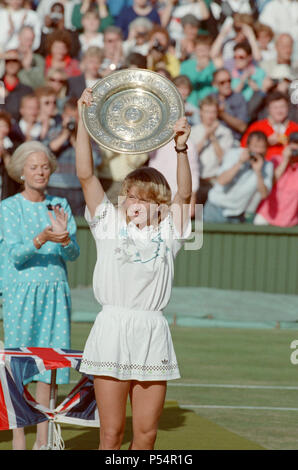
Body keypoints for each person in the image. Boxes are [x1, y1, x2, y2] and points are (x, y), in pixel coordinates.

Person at [76, 87, 192, 450]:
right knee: (110, 436)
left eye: (143, 197)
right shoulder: (108, 222)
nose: (133, 202)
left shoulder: (169, 231)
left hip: (152, 330)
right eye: (130, 194)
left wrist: (181, 147)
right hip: (111, 328)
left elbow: (185, 197)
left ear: (158, 203)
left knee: (146, 436)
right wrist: (84, 120)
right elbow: (86, 176)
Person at [0, 140, 80, 450]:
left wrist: (62, 240)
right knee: (19, 368)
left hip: (55, 293)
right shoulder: (7, 208)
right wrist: (42, 237)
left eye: (45, 166)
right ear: (21, 172)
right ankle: (19, 438)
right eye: (34, 167)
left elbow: (72, 254)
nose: (40, 172)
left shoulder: (59, 205)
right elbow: (16, 257)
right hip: (21, 294)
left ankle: (44, 441)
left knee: (51, 367)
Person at [46, 97, 101, 216]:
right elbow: (46, 152)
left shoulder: (89, 137)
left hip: (77, 188)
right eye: (69, 117)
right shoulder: (54, 132)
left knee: (77, 224)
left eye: (75, 117)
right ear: (63, 116)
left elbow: (96, 160)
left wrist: (75, 138)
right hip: (54, 186)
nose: (72, 121)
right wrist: (65, 134)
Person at [204, 130, 274, 223]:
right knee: (203, 237)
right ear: (247, 146)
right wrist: (240, 163)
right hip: (215, 208)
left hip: (236, 214)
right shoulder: (233, 154)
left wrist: (258, 172)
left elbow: (264, 194)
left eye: (262, 147)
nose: (258, 151)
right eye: (256, 146)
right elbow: (221, 181)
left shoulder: (267, 166)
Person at [190, 95, 234, 204]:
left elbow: (223, 159)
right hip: (197, 181)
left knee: (210, 219)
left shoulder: (225, 133)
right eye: (207, 112)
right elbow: (191, 156)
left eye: (213, 112)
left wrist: (213, 138)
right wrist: (206, 136)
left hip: (215, 181)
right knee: (197, 217)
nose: (210, 116)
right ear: (200, 112)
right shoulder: (193, 132)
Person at [254, 131, 298, 227]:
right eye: (294, 143)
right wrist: (285, 160)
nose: (295, 147)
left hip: (289, 221)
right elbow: (270, 183)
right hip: (266, 216)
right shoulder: (275, 160)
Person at [242, 91, 298, 160]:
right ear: (268, 109)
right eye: (275, 107)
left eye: (282, 107)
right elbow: (244, 147)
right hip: (263, 166)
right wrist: (265, 143)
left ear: (288, 108)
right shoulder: (257, 127)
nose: (279, 111)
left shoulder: (295, 128)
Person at [212, 67, 248, 140]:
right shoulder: (211, 98)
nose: (227, 84)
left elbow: (243, 127)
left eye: (229, 81)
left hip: (233, 141)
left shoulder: (239, 98)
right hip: (214, 139)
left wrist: (222, 114)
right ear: (215, 84)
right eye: (222, 82)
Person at [180, 34, 216, 106]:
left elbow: (214, 84)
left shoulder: (213, 65)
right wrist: (199, 69)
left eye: (205, 50)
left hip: (208, 103)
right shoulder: (185, 65)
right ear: (194, 50)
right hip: (190, 102)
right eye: (200, 50)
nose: (202, 53)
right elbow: (185, 83)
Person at [0, 49, 33, 121]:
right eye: (8, 61)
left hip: (18, 128)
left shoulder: (26, 90)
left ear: (20, 64)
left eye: (15, 61)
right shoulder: (1, 85)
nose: (11, 64)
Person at [17, 26, 46, 90]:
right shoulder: (10, 57)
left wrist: (28, 68)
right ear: (19, 38)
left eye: (32, 40)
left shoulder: (39, 60)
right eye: (27, 40)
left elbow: (40, 84)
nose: (29, 43)